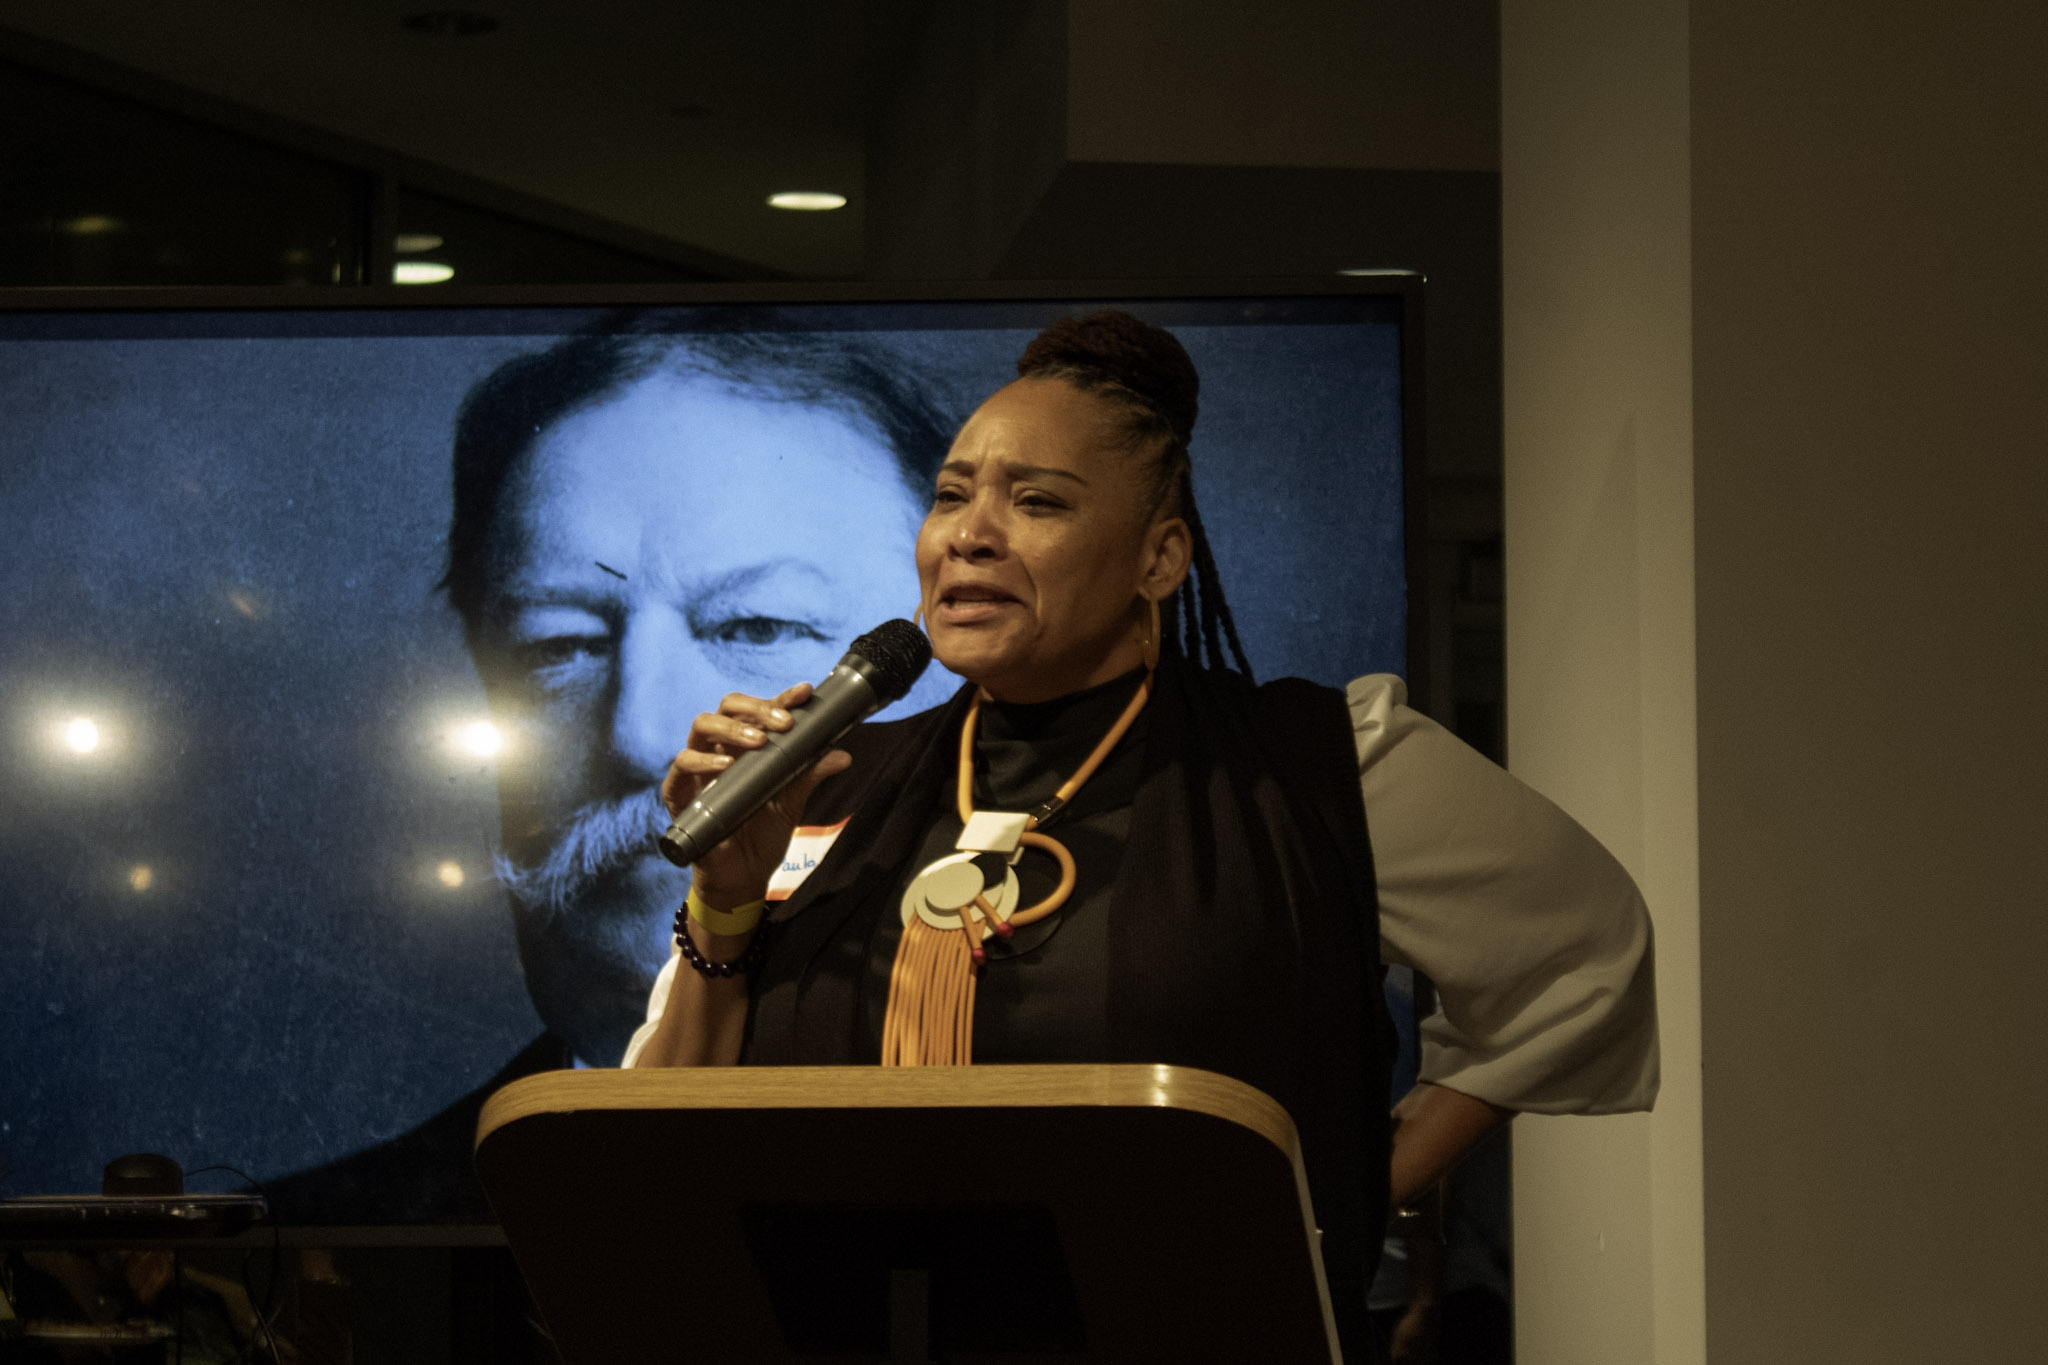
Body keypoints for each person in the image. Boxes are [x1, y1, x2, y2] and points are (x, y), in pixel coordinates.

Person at [625, 310, 1658, 1362]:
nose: (969, 533)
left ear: (1159, 557)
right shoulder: (828, 785)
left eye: (1036, 502)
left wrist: (1341, 1193)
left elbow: (1582, 957)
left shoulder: (1314, 766)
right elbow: (648, 1154)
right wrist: (726, 897)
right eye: (950, 495)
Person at [270, 316, 960, 1222]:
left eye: (755, 627)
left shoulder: (1104, 1175)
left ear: (958, 669)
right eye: (558, 644)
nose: (641, 734)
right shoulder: (331, 1248)